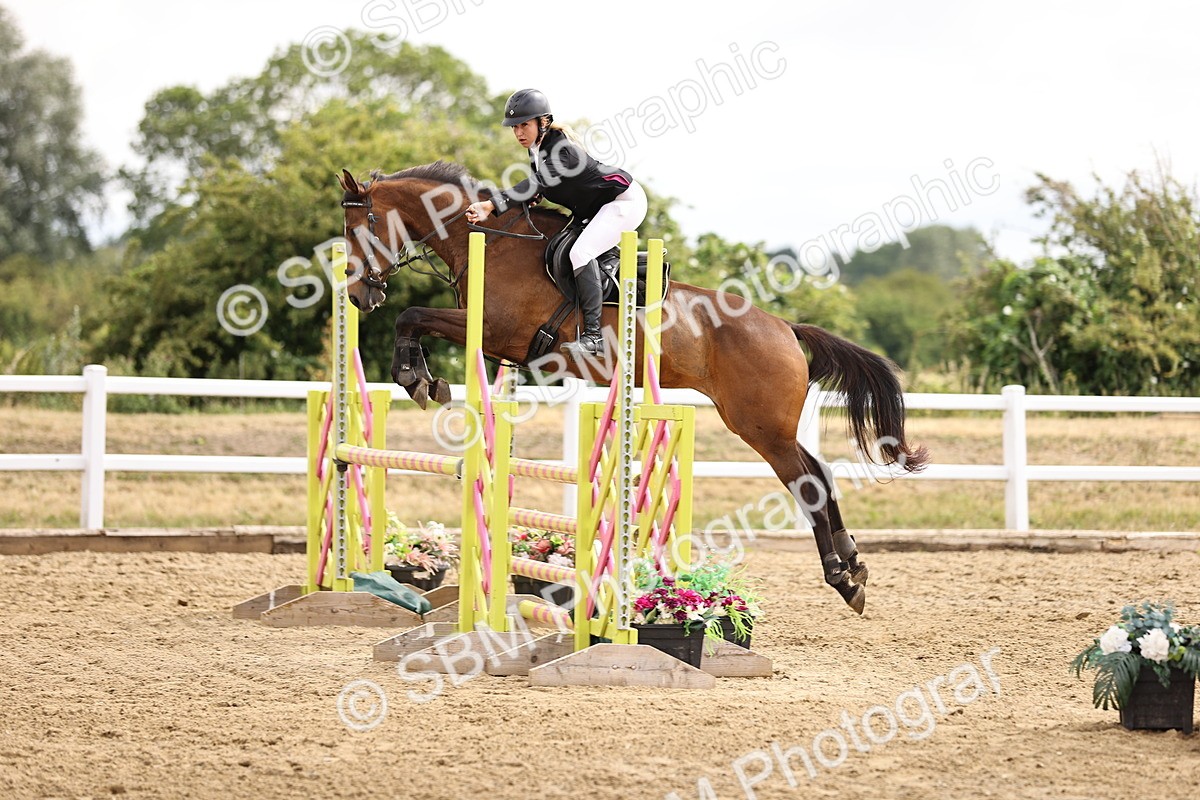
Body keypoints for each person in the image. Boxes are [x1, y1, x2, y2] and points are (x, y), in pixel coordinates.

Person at [465, 89, 648, 356]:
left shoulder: (563, 151)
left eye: (524, 125)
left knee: (580, 253)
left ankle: (594, 337)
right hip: (594, 209)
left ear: (543, 122)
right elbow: (541, 186)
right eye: (514, 127)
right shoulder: (537, 151)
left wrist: (491, 205)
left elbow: (537, 182)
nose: (518, 133)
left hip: (624, 202)